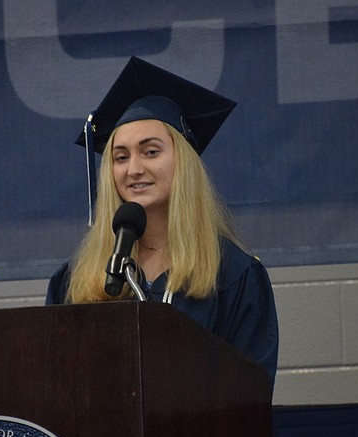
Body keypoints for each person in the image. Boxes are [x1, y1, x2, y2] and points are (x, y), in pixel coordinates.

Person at [46, 57, 278, 383]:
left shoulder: (233, 274)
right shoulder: (74, 280)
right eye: (121, 157)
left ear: (182, 163)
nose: (134, 169)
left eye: (151, 152)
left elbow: (250, 394)